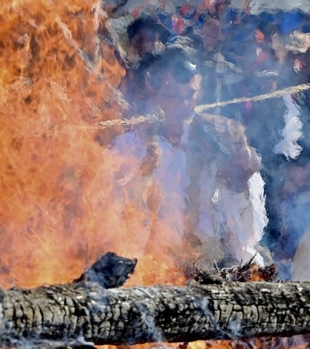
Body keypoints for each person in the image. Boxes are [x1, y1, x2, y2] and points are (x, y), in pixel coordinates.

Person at [112, 42, 268, 269]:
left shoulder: (218, 134)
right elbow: (112, 210)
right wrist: (140, 178)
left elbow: (242, 221)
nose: (183, 105)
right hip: (154, 264)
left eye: (190, 95)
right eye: (173, 96)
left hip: (212, 263)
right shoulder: (130, 145)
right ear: (152, 90)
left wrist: (242, 177)